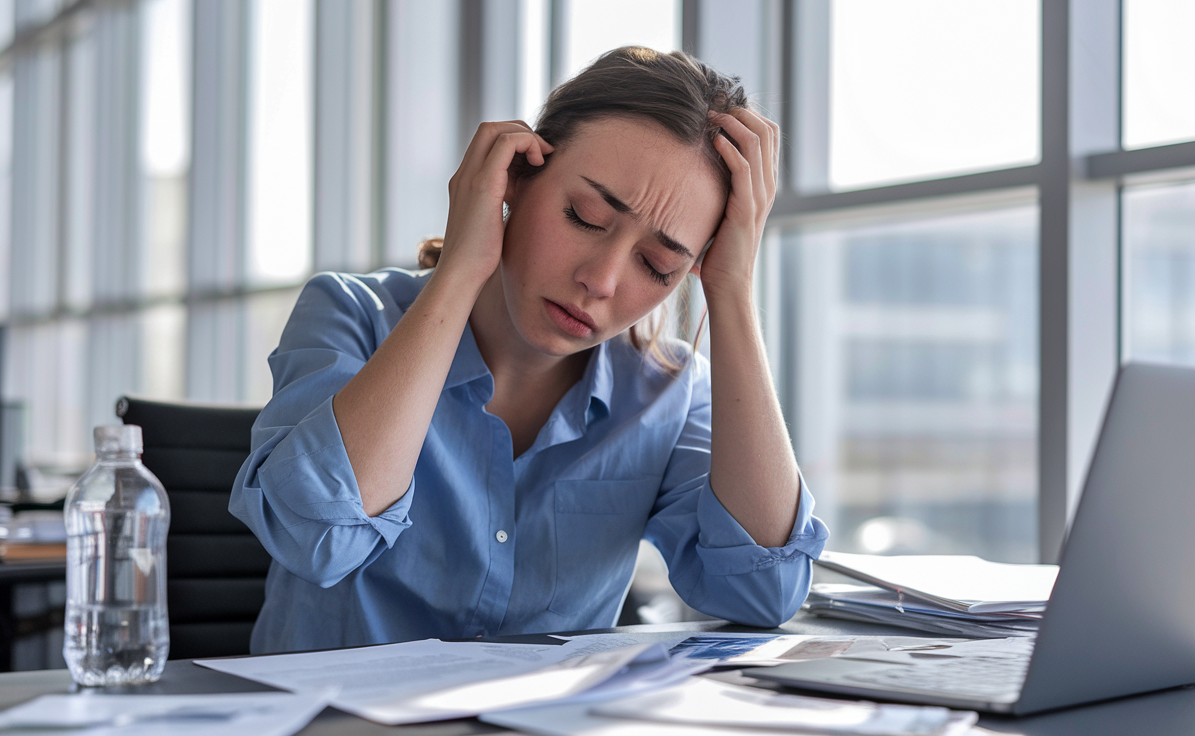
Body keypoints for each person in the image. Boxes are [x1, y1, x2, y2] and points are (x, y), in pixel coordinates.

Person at [230, 47, 829, 654]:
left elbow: (764, 593)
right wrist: (461, 267)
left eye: (657, 265)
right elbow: (315, 539)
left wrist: (732, 290)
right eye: (584, 216)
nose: (601, 280)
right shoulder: (353, 314)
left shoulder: (669, 392)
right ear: (515, 176)